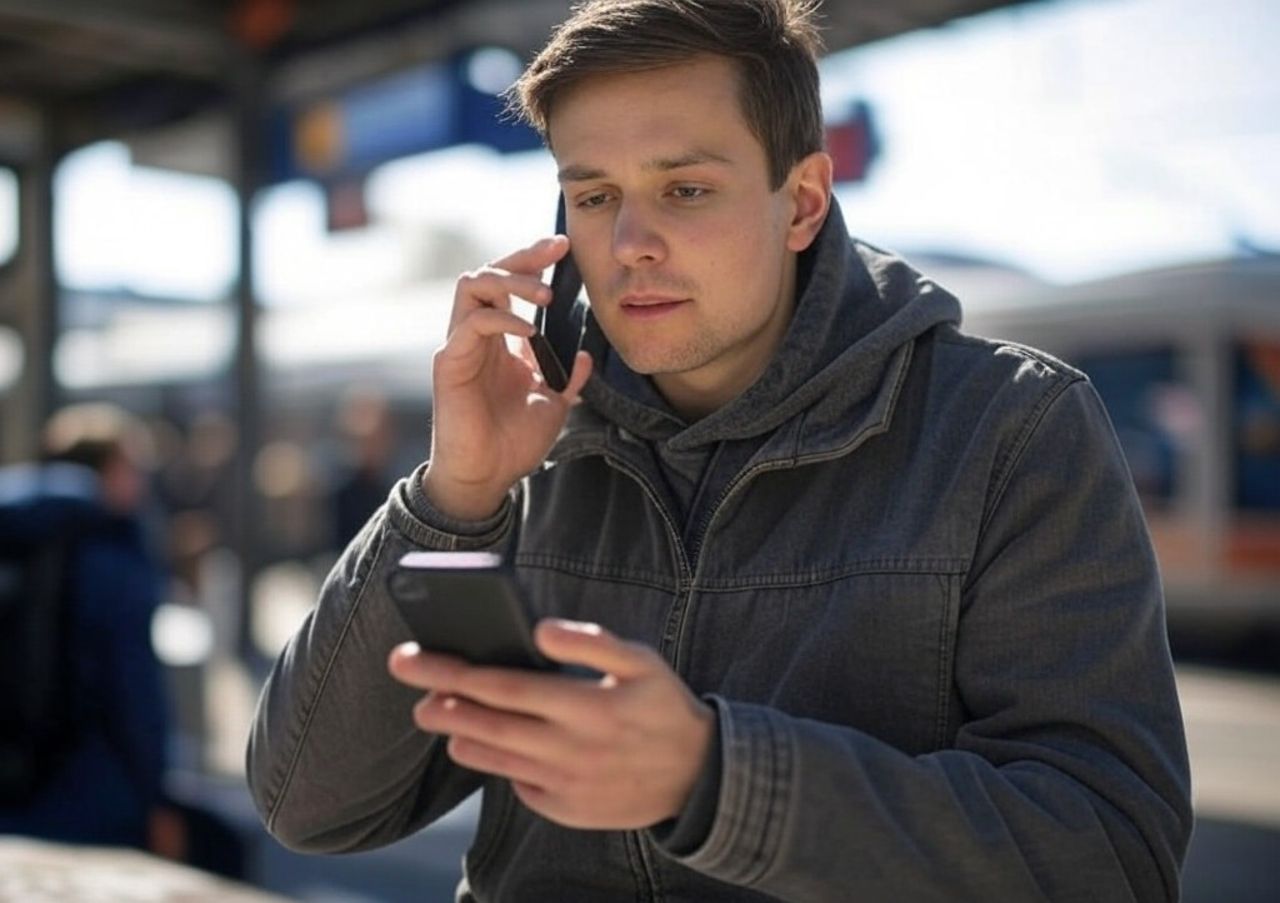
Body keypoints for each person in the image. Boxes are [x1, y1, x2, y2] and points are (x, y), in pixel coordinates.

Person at [247, 1, 1193, 899]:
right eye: (595, 194)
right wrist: (453, 496)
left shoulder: (1011, 431)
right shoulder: (529, 448)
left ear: (804, 202)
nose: (629, 243)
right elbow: (308, 805)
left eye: (686, 189)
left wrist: (718, 780)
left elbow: (1111, 856)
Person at [0, 403, 184, 858]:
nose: (141, 483)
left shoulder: (14, 538)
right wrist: (155, 799)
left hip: (13, 785)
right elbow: (134, 692)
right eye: (133, 467)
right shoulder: (114, 554)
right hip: (95, 794)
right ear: (109, 472)